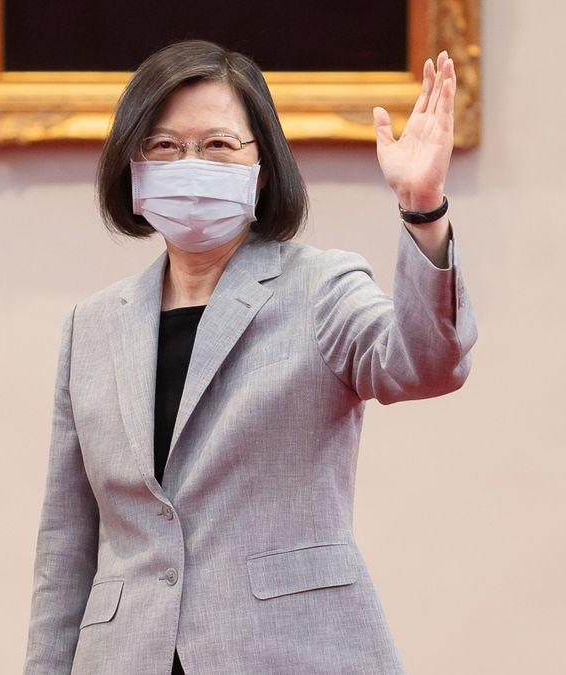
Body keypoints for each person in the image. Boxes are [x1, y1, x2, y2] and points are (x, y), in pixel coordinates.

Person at [24, 40, 475, 674]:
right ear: (132, 167)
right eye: (164, 146)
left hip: (291, 652)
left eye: (217, 146)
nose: (190, 163)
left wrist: (423, 209)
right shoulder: (92, 327)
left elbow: (427, 363)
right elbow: (65, 549)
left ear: (261, 168)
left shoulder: (321, 288)